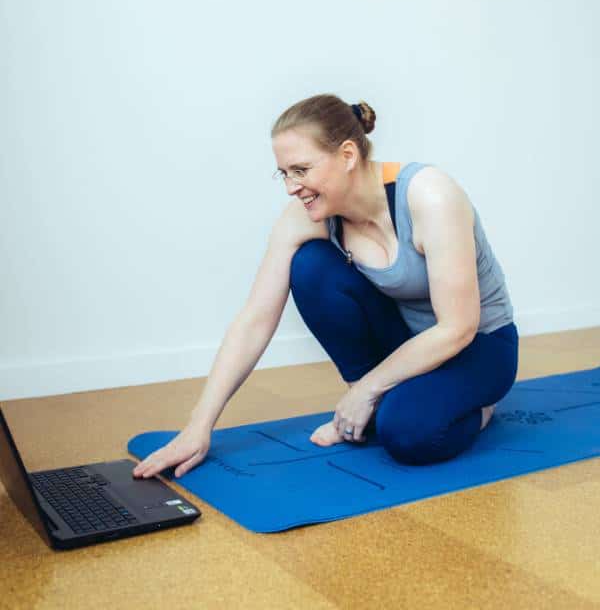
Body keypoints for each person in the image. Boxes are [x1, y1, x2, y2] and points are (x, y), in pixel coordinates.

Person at [133, 93, 518, 479]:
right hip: (407, 343)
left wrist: (365, 390)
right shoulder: (305, 218)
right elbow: (254, 319)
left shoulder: (429, 195)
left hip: (479, 345)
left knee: (407, 435)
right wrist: (199, 427)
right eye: (283, 173)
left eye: (301, 170)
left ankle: (478, 409)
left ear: (348, 155)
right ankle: (381, 402)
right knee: (311, 267)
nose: (290, 186)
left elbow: (457, 328)